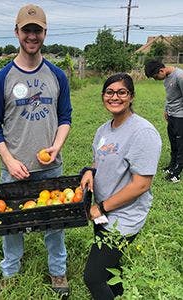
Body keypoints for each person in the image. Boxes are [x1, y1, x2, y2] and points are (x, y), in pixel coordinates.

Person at [0, 3, 72, 296]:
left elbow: (65, 118)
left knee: (54, 223)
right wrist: (9, 161)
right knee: (10, 223)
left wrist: (56, 146)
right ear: (17, 32)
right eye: (27, 30)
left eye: (37, 30)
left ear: (45, 33)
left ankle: (57, 272)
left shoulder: (57, 76)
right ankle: (10, 272)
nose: (32, 36)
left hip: (51, 166)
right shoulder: (2, 78)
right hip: (15, 168)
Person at [80, 73, 161, 299]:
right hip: (103, 214)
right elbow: (100, 160)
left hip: (123, 217)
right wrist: (89, 170)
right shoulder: (103, 130)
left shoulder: (142, 132)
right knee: (111, 270)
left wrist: (102, 207)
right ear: (103, 96)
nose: (115, 97)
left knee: (93, 277)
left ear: (131, 96)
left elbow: (141, 185)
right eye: (109, 92)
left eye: (121, 92)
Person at [144, 60, 183, 183]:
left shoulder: (180, 76)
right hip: (171, 114)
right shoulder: (166, 77)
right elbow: (169, 96)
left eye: (156, 77)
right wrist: (166, 109)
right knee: (173, 142)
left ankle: (176, 173)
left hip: (180, 116)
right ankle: (172, 165)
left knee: (181, 144)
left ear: (161, 70)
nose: (156, 80)